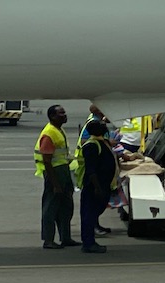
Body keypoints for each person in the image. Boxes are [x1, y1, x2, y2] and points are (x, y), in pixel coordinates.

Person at [34, 104, 76, 250]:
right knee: (50, 209)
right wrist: (55, 184)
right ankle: (48, 240)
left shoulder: (58, 129)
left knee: (66, 207)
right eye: (61, 113)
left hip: (63, 171)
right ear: (52, 116)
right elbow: (47, 161)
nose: (64, 115)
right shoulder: (49, 133)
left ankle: (66, 237)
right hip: (55, 173)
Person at [74, 118, 117, 254]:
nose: (104, 126)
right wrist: (97, 187)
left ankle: (89, 241)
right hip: (93, 187)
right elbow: (91, 170)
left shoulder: (101, 142)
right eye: (101, 125)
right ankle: (88, 243)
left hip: (103, 185)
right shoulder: (91, 146)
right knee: (89, 214)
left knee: (93, 213)